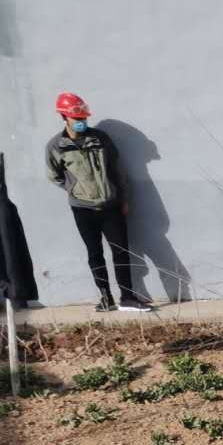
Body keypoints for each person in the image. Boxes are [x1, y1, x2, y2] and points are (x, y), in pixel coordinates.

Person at [44, 92, 150, 312]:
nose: (81, 121)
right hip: (83, 209)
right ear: (64, 117)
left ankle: (127, 298)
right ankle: (105, 298)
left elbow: (118, 169)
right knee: (94, 253)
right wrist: (74, 189)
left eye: (84, 118)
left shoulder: (101, 138)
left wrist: (123, 198)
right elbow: (54, 176)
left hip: (111, 205)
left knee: (121, 251)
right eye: (77, 118)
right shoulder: (56, 146)